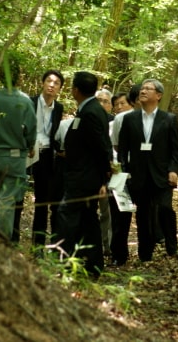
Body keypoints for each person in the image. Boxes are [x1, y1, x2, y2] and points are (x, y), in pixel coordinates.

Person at [54, 71, 112, 276]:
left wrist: (105, 179)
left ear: (75, 90)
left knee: (66, 214)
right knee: (88, 219)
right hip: (81, 174)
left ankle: (64, 262)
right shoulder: (87, 109)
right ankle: (93, 265)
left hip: (84, 178)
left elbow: (102, 148)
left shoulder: (91, 112)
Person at [117, 79, 178, 262]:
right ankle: (145, 254)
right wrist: (123, 171)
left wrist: (173, 170)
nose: (143, 91)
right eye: (142, 88)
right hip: (138, 176)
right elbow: (123, 150)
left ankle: (172, 245)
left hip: (162, 175)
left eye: (148, 89)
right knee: (143, 215)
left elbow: (175, 151)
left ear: (158, 95)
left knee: (164, 208)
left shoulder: (169, 119)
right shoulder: (130, 119)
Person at [0, 54, 37, 241]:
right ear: (19, 76)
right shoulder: (25, 100)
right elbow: (31, 130)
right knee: (8, 202)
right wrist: (29, 145)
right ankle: (1, 243)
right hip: (15, 157)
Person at [23, 70, 65, 248]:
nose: (52, 85)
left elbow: (53, 134)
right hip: (26, 151)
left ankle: (38, 244)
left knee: (42, 200)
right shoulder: (29, 102)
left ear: (60, 89)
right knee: (17, 196)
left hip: (47, 155)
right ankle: (12, 238)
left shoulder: (59, 108)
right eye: (49, 81)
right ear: (42, 83)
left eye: (56, 83)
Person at [108, 85, 140, 266]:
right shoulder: (119, 120)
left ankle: (145, 251)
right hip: (121, 170)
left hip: (144, 172)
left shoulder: (157, 118)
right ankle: (118, 253)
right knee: (120, 211)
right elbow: (115, 146)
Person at [95, 87, 114, 257]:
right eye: (98, 100)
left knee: (107, 211)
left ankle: (107, 246)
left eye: (105, 101)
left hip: (110, 174)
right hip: (90, 173)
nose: (101, 104)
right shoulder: (88, 119)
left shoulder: (115, 123)